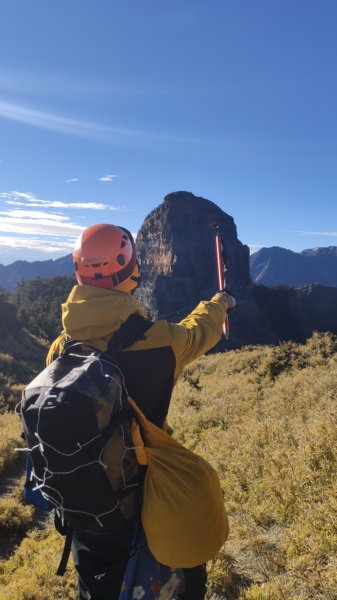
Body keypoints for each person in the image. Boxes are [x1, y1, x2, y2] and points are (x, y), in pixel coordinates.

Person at [47, 223, 236, 600]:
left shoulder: (60, 349)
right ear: (131, 269)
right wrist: (220, 302)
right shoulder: (162, 342)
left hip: (90, 511)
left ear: (78, 271)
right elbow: (198, 331)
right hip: (152, 498)